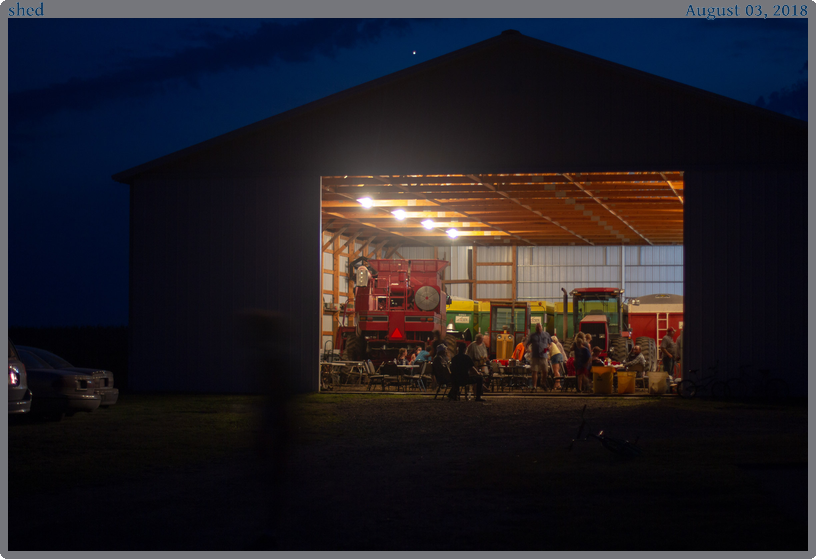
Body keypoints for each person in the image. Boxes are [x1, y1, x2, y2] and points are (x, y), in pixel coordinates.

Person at [528, 323, 552, 390]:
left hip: (543, 355)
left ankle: (543, 383)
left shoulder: (546, 334)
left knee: (545, 371)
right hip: (535, 356)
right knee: (534, 371)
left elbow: (550, 343)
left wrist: (549, 347)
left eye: (539, 327)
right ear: (535, 328)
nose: (538, 328)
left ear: (542, 327)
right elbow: (527, 344)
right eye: (537, 327)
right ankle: (534, 386)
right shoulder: (532, 335)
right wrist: (528, 349)